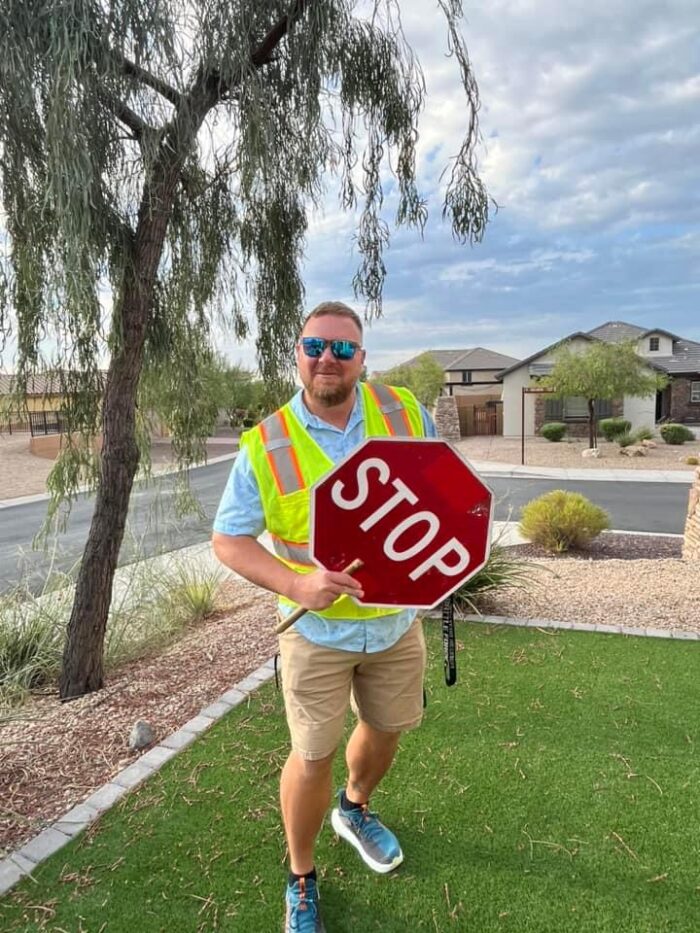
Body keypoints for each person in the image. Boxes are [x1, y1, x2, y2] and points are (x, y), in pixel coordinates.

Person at [212, 301, 437, 933]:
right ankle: (302, 876)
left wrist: (441, 562)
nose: (328, 360)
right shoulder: (267, 444)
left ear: (363, 359)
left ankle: (355, 807)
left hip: (395, 625)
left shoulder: (403, 411)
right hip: (316, 634)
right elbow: (229, 539)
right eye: (316, 347)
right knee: (312, 755)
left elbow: (438, 491)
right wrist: (293, 583)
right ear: (297, 354)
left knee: (389, 728)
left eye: (343, 349)